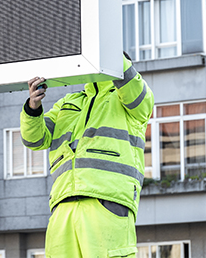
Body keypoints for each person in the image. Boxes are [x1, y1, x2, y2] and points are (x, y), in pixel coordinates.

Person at [20, 53, 153, 257]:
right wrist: (32, 108)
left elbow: (131, 86)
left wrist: (111, 50)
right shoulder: (68, 102)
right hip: (63, 206)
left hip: (106, 201)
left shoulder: (133, 98)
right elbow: (35, 140)